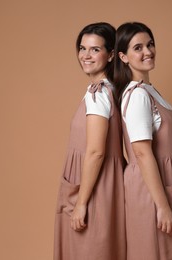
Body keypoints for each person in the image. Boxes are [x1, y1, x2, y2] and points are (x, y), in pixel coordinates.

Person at [114, 22, 172, 260]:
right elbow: (142, 154)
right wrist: (163, 207)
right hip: (153, 191)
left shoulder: (150, 91)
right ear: (123, 56)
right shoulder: (138, 97)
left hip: (168, 184)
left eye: (150, 44)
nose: (148, 51)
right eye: (138, 48)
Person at [53, 22, 126, 260]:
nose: (85, 55)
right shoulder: (110, 89)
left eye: (95, 50)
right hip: (105, 186)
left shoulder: (98, 95)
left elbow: (95, 152)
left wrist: (81, 203)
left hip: (94, 189)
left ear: (111, 54)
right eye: (82, 48)